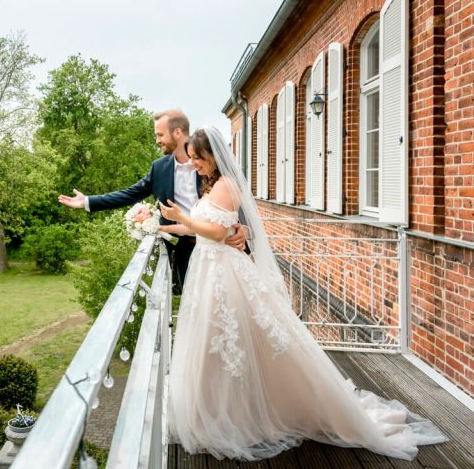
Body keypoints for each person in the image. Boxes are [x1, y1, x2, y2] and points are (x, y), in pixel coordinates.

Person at [160, 126, 447, 461]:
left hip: (225, 275)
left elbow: (218, 231)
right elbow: (202, 226)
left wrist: (186, 219)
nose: (194, 164)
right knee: (212, 343)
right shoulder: (210, 186)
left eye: (198, 158)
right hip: (208, 271)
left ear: (212, 156)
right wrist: (165, 225)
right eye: (192, 159)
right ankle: (207, 409)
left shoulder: (226, 185)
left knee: (236, 340)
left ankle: (243, 414)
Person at [58, 109, 247, 291]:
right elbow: (130, 193)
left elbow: (236, 201)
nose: (157, 141)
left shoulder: (210, 163)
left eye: (160, 134)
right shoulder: (159, 168)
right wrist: (88, 201)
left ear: (177, 133)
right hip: (184, 248)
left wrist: (245, 229)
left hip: (225, 246)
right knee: (196, 305)